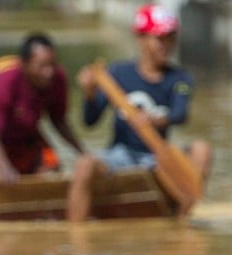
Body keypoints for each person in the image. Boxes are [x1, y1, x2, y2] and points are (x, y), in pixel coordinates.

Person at [66, 3, 213, 222]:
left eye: (170, 38)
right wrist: (88, 93)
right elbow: (90, 122)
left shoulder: (181, 80)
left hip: (157, 157)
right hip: (120, 154)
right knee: (84, 165)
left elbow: (180, 115)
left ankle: (182, 220)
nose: (166, 45)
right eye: (159, 38)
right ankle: (77, 239)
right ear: (141, 38)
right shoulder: (116, 73)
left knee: (202, 149)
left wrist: (155, 120)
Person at [0, 33, 85, 182]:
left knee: (51, 168)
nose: (49, 72)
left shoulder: (57, 78)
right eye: (42, 67)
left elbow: (59, 120)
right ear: (24, 64)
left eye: (52, 65)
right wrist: (5, 168)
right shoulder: (4, 80)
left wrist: (82, 153)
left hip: (22, 129)